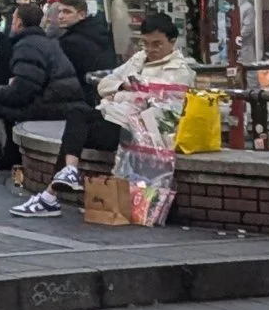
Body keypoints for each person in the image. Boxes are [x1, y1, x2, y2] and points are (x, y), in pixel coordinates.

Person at [16, 11, 197, 212]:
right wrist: (123, 89)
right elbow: (105, 84)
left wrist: (120, 94)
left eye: (157, 44)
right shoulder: (138, 59)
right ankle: (66, 174)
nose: (151, 49)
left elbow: (160, 103)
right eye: (146, 43)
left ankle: (50, 195)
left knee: (77, 128)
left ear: (172, 42)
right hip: (115, 118)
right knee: (77, 114)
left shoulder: (179, 70)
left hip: (139, 131)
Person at [0, 0, 78, 174]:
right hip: (55, 100)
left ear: (19, 23)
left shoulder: (27, 45)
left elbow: (23, 89)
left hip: (45, 104)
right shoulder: (42, 41)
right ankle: (5, 154)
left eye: (14, 18)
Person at [47, 0, 116, 87]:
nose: (60, 16)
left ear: (81, 15)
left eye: (67, 12)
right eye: (59, 11)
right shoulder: (98, 31)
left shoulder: (70, 42)